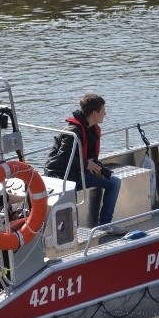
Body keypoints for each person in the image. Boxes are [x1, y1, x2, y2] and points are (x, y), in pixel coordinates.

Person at [44, 93, 121, 226]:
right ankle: (97, 226)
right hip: (63, 176)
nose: (105, 113)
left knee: (113, 180)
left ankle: (105, 224)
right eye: (103, 110)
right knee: (114, 183)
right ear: (94, 113)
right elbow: (63, 159)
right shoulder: (73, 131)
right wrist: (86, 165)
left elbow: (89, 157)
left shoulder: (91, 129)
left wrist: (97, 168)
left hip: (78, 172)